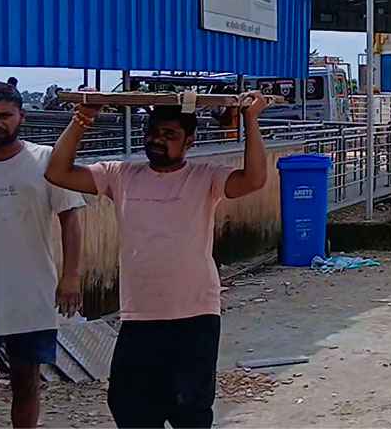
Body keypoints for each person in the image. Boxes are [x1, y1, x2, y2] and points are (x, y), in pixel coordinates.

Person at [45, 92, 270, 429]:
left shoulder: (206, 177)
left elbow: (254, 179)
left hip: (194, 315)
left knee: (189, 409)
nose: (157, 140)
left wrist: (251, 119)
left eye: (169, 135)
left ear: (189, 141)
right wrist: (82, 120)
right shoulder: (120, 175)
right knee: (129, 406)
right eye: (152, 132)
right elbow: (58, 173)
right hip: (140, 315)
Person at [0, 82, 84, 429]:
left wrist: (71, 276)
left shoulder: (46, 160)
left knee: (25, 383)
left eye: (4, 115)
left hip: (31, 293)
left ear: (21, 116)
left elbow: (71, 218)